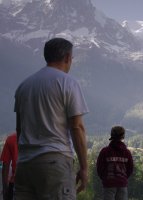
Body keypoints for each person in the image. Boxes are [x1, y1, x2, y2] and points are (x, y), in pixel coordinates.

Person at [14, 38, 89, 199]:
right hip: (55, 162)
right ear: (68, 57)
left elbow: (19, 128)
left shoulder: (24, 85)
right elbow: (76, 127)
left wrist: (24, 156)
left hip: (24, 164)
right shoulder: (68, 82)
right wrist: (84, 166)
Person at [97, 126, 134, 200]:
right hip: (122, 184)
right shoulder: (127, 152)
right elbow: (130, 168)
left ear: (111, 136)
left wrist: (105, 178)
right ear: (123, 137)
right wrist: (124, 178)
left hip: (108, 184)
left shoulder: (105, 151)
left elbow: (99, 167)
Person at [0, 133, 18, 200]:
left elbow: (5, 164)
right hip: (34, 182)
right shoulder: (37, 137)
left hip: (14, 182)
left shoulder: (11, 138)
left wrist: (5, 189)